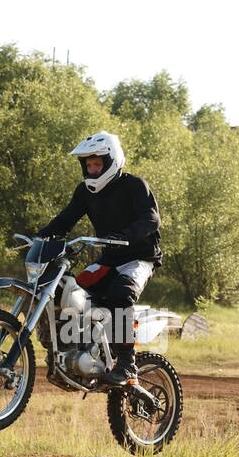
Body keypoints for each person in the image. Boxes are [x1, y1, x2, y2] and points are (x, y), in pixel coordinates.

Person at [37, 132, 162, 384]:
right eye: (89, 165)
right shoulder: (85, 192)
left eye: (97, 164)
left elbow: (151, 219)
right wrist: (42, 236)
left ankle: (127, 364)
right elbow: (66, 219)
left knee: (120, 294)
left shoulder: (135, 186)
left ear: (111, 160)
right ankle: (77, 353)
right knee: (70, 292)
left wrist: (124, 236)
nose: (92, 170)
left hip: (139, 258)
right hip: (109, 259)